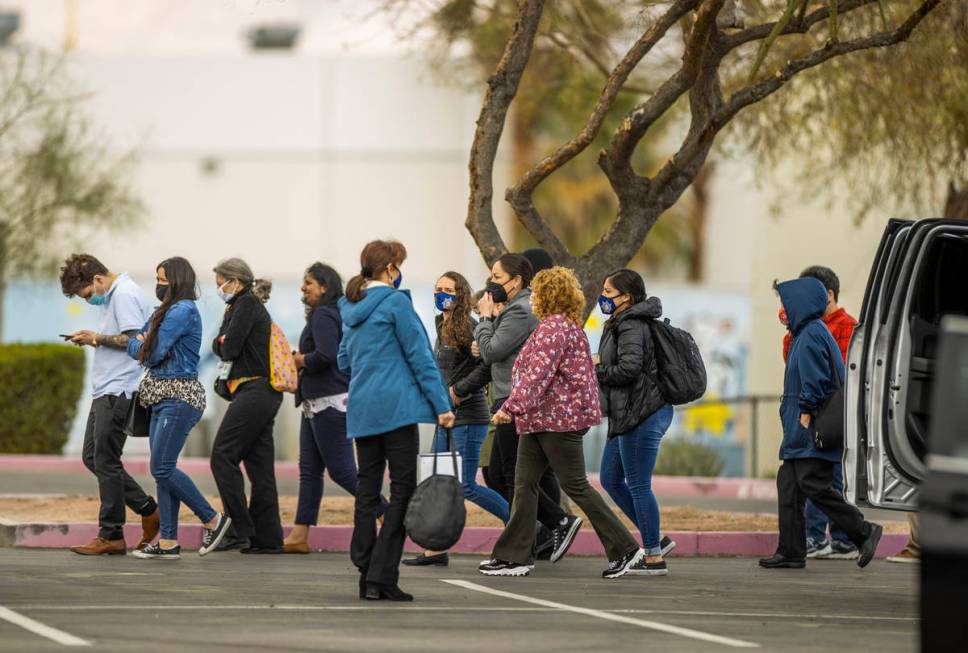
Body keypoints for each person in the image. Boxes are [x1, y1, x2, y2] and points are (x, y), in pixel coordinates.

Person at [480, 267, 645, 579]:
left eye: (538, 292)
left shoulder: (555, 329)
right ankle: (514, 557)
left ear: (549, 296)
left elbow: (536, 377)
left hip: (557, 422)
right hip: (538, 421)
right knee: (523, 485)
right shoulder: (559, 327)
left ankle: (625, 549)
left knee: (576, 486)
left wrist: (511, 408)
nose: (533, 298)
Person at [338, 240, 455, 602]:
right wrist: (442, 405)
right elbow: (421, 357)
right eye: (399, 264)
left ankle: (365, 568)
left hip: (362, 409)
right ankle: (383, 574)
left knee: (367, 489)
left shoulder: (351, 308)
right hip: (397, 410)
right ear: (390, 268)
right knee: (403, 491)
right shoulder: (395, 304)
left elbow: (344, 361)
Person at [759, 277, 883, 570]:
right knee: (788, 485)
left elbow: (816, 380)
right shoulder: (805, 332)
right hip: (798, 429)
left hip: (808, 427)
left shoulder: (812, 333)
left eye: (785, 302)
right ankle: (791, 551)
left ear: (800, 302)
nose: (783, 309)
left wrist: (805, 413)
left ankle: (863, 532)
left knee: (812, 484)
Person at [127, 257, 232, 559]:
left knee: (161, 467)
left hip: (179, 397)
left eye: (162, 279)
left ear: (176, 280)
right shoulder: (164, 311)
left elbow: (150, 352)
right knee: (163, 470)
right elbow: (139, 345)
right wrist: (141, 343)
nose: (158, 284)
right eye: (156, 278)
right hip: (160, 397)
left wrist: (142, 343)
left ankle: (212, 518)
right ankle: (169, 542)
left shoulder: (183, 310)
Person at [475, 253, 578, 562]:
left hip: (513, 399)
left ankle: (548, 528)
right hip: (506, 397)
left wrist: (484, 319)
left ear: (516, 280)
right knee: (496, 473)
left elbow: (491, 351)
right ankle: (546, 531)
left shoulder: (519, 310)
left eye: (497, 277)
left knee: (513, 476)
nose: (491, 283)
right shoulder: (514, 309)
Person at [404, 272, 509, 567]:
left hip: (469, 416)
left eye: (448, 290)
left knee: (465, 486)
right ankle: (436, 549)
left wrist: (458, 391)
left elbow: (486, 367)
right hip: (447, 417)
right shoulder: (444, 323)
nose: (441, 294)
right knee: (437, 480)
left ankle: (521, 527)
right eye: (438, 289)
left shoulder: (467, 328)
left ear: (461, 293)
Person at [58, 254, 160, 555]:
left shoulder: (125, 295)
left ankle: (112, 534)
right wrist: (94, 338)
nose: (89, 300)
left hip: (119, 389)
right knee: (94, 457)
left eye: (88, 294)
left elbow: (133, 342)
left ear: (98, 279)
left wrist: (96, 338)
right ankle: (147, 509)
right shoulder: (114, 296)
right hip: (107, 388)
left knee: (104, 458)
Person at [284, 263, 385, 554]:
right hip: (315, 402)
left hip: (329, 403)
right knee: (310, 471)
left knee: (342, 471)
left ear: (325, 287)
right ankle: (299, 535)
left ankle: (387, 513)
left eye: (309, 283)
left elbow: (327, 355)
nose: (303, 287)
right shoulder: (331, 313)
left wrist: (299, 359)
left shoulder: (324, 314)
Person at [596, 269, 675, 575]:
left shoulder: (630, 323)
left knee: (639, 485)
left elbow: (629, 369)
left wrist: (598, 370)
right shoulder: (621, 322)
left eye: (608, 292)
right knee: (610, 478)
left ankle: (653, 556)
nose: (603, 297)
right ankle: (656, 539)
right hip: (629, 412)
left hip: (641, 413)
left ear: (625, 297)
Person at [779, 265, 859, 560]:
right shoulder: (804, 329)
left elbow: (830, 373)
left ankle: (836, 536)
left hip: (827, 414)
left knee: (824, 476)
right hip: (809, 412)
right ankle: (829, 537)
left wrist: (808, 408)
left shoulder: (846, 327)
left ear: (827, 295)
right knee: (809, 476)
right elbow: (791, 360)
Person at [210, 258, 285, 554]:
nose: (219, 290)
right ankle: (267, 538)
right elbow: (225, 344)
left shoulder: (245, 305)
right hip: (262, 393)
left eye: (220, 284)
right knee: (259, 467)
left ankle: (239, 529)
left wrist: (220, 341)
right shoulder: (242, 306)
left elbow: (227, 348)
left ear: (236, 282)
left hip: (254, 391)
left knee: (222, 455)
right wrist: (222, 341)